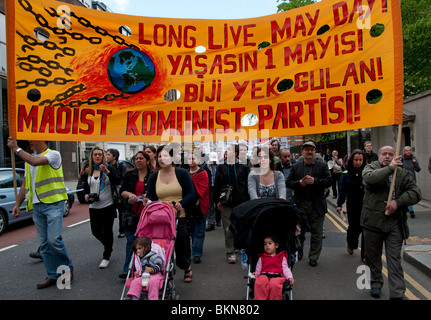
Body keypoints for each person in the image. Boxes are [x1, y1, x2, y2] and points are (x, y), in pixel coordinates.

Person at [7, 138, 73, 289]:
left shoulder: (53, 154)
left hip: (53, 204)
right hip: (37, 206)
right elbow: (25, 184)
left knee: (53, 240)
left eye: (33, 138)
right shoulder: (28, 159)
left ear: (43, 139)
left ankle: (67, 268)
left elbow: (35, 162)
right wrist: (17, 204)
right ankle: (52, 275)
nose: (30, 141)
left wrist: (16, 149)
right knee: (44, 245)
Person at [361, 146, 421, 299]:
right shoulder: (371, 167)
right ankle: (375, 283)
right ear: (379, 155)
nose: (387, 156)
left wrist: (398, 202)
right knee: (373, 257)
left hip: (394, 222)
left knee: (394, 258)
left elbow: (415, 192)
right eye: (384, 154)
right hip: (373, 222)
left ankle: (397, 292)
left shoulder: (402, 173)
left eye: (390, 154)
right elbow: (370, 179)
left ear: (396, 155)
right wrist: (389, 168)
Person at [145, 145, 195, 282]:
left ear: (172, 158)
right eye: (160, 156)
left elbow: (192, 193)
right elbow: (150, 196)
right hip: (161, 218)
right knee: (163, 248)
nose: (162, 159)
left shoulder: (182, 173)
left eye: (165, 156)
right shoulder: (154, 176)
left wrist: (182, 203)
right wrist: (147, 200)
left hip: (180, 216)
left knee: (182, 246)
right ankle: (168, 275)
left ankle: (186, 267)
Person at [286, 141, 332, 267]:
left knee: (317, 233)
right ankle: (299, 251)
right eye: (306, 149)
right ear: (302, 152)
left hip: (317, 204)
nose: (309, 152)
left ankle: (313, 256)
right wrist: (299, 183)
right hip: (301, 204)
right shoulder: (296, 167)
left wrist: (315, 181)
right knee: (299, 231)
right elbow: (289, 183)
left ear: (315, 151)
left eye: (311, 149)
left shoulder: (322, 166)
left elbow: (329, 181)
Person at [81, 147, 121, 269]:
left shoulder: (110, 168)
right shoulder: (88, 171)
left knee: (108, 231)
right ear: (92, 157)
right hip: (94, 206)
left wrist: (108, 172)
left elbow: (118, 181)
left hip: (108, 206)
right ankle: (108, 245)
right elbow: (85, 188)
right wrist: (86, 195)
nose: (97, 156)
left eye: (100, 154)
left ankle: (106, 255)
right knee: (95, 231)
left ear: (103, 156)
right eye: (95, 155)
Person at [119, 151, 152, 278]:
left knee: (145, 243)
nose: (138, 160)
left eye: (141, 158)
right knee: (131, 242)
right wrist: (130, 195)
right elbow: (122, 191)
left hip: (147, 214)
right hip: (131, 213)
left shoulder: (153, 175)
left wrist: (146, 197)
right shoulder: (129, 174)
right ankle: (128, 269)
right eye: (136, 158)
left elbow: (155, 193)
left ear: (147, 161)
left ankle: (145, 268)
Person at [214, 143, 250, 264]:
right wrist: (217, 201)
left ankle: (240, 246)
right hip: (226, 202)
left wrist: (248, 199)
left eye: (229, 149)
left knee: (241, 225)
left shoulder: (243, 167)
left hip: (241, 201)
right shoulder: (221, 167)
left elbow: (247, 183)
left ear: (235, 153)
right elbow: (217, 185)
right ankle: (230, 251)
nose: (226, 151)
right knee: (228, 227)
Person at [336, 150, 366, 257]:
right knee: (354, 227)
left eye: (360, 160)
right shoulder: (346, 174)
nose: (358, 162)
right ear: (351, 160)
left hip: (365, 203)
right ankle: (351, 243)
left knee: (365, 228)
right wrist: (339, 204)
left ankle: (365, 254)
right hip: (353, 203)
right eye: (356, 160)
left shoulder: (366, 172)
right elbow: (342, 190)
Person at [251, 235, 294, 300]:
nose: (267, 246)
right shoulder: (262, 258)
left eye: (270, 243)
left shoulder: (281, 257)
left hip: (278, 276)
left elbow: (285, 269)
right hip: (264, 274)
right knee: (261, 281)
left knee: (274, 283)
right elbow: (258, 270)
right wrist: (255, 275)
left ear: (276, 245)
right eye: (265, 244)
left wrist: (290, 277)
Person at [187, 151, 210, 263]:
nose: (191, 160)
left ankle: (197, 253)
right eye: (189, 158)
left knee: (199, 231)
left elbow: (203, 189)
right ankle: (194, 249)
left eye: (193, 158)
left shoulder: (203, 173)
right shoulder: (185, 173)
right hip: (188, 206)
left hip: (200, 205)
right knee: (190, 230)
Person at [106, 148, 128, 238]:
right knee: (109, 212)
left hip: (118, 192)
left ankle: (122, 230)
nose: (106, 156)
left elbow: (123, 179)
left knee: (121, 212)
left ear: (114, 157)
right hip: (109, 192)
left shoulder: (121, 166)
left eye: (108, 155)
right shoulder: (106, 166)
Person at [400, 146, 421, 218]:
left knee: (410, 194)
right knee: (405, 194)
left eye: (409, 150)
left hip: (412, 179)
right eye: (406, 151)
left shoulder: (413, 158)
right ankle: (409, 209)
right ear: (404, 152)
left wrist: (415, 163)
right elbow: (399, 169)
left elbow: (418, 169)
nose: (408, 152)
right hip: (403, 179)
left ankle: (410, 209)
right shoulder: (402, 159)